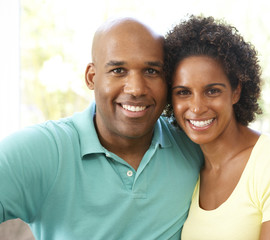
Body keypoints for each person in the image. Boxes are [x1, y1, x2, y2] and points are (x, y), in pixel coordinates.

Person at [0, 17, 203, 239]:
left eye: (152, 71)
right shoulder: (42, 151)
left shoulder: (193, 143)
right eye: (118, 70)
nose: (136, 89)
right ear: (91, 77)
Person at [164, 15, 270, 240]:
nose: (197, 107)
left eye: (212, 91)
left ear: (236, 91)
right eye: (183, 92)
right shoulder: (191, 171)